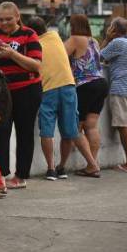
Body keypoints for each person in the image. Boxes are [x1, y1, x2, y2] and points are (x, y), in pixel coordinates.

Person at [0, 2, 42, 189]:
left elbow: (36, 65)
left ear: (17, 17)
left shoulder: (29, 35)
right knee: (1, 131)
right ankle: (1, 175)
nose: (4, 23)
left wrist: (11, 53)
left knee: (24, 132)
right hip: (1, 93)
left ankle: (21, 176)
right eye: (0, 19)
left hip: (27, 90)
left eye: (8, 19)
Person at [25, 16, 100, 179]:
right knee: (71, 130)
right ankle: (81, 165)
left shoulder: (33, 45)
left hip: (48, 89)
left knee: (47, 131)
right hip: (69, 86)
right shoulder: (56, 37)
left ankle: (51, 168)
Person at [64, 14, 108, 163]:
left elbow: (59, 55)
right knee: (91, 126)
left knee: (75, 127)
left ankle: (91, 164)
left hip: (85, 85)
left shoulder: (75, 39)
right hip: (101, 83)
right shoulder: (94, 41)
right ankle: (93, 163)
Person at [101, 17, 127, 173]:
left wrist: (106, 38)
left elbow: (98, 57)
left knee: (122, 126)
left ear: (114, 30)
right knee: (126, 127)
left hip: (121, 88)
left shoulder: (117, 43)